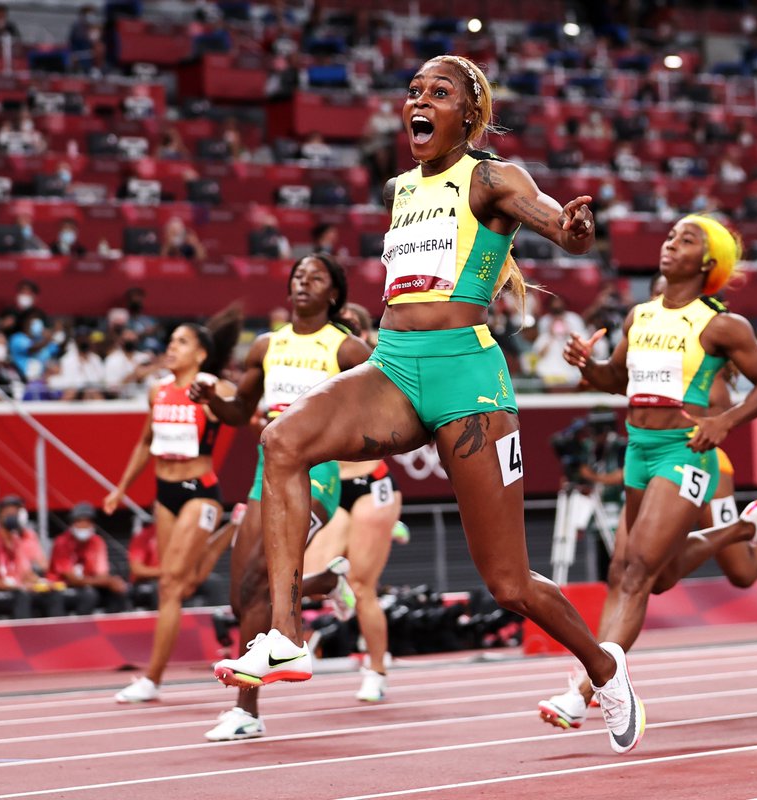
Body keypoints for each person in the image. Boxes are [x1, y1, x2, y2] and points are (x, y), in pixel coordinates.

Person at [210, 54, 646, 755]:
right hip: (393, 366)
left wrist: (572, 228)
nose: (420, 100)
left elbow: (557, 227)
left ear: (469, 113)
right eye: (414, 91)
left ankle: (604, 665)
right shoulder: (400, 188)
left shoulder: (491, 175)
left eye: (438, 92)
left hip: (466, 376)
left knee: (506, 582)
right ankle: (287, 635)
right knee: (282, 441)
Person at [534, 215, 757, 743]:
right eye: (670, 236)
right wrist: (588, 365)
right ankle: (745, 528)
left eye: (687, 239)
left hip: (684, 453)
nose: (672, 243)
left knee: (634, 573)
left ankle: (588, 692)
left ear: (707, 263)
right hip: (638, 450)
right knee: (657, 575)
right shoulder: (640, 315)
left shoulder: (721, 325)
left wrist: (724, 422)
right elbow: (613, 380)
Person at [190, 253, 370, 740]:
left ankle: (246, 711)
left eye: (315, 277)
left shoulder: (348, 350)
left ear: (334, 293)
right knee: (240, 594)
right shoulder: (267, 345)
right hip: (266, 472)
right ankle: (324, 584)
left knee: (257, 578)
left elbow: (379, 408)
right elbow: (238, 410)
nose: (303, 283)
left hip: (316, 475)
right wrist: (213, 397)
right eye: (297, 276)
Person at [105, 309, 244, 702]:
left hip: (198, 490)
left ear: (201, 354)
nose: (171, 347)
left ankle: (151, 679)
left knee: (169, 585)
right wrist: (120, 489)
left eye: (181, 342)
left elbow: (244, 415)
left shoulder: (214, 388)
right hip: (164, 493)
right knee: (179, 584)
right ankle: (229, 529)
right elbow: (144, 444)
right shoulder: (158, 390)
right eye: (170, 341)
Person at [301, 304, 403, 702]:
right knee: (312, 576)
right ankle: (334, 584)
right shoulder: (314, 366)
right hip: (330, 482)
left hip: (370, 482)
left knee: (364, 586)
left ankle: (376, 668)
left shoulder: (375, 365)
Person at [0, 498, 62, 618]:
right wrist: (18, 587)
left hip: (17, 590)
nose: (13, 517)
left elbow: (27, 573)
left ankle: (56, 633)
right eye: (9, 514)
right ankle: (26, 635)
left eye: (15, 514)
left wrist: (43, 583)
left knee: (52, 595)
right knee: (23, 597)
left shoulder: (16, 541)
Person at [47, 503, 129, 614]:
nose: (83, 525)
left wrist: (111, 582)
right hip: (62, 587)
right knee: (89, 595)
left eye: (86, 522)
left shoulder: (97, 542)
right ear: (72, 523)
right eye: (79, 521)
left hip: (88, 584)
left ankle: (112, 626)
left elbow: (102, 574)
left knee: (118, 591)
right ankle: (83, 629)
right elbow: (72, 579)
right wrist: (107, 581)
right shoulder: (62, 543)